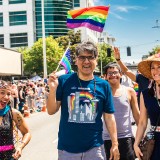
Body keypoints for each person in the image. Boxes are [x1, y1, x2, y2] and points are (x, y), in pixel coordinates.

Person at [47, 41, 120, 160]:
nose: (86, 61)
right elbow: (51, 110)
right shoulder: (64, 81)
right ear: (76, 60)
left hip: (95, 148)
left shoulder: (104, 85)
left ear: (96, 60)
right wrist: (52, 89)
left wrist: (115, 144)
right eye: (82, 57)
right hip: (67, 149)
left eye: (90, 57)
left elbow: (109, 117)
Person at [103, 62, 140, 160]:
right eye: (110, 73)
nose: (113, 75)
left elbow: (137, 115)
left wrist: (141, 136)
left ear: (121, 74)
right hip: (107, 138)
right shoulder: (102, 92)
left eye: (115, 72)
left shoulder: (129, 91)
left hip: (126, 138)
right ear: (105, 76)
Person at [134, 52, 160, 160]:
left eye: (159, 67)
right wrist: (136, 143)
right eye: (152, 68)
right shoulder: (145, 94)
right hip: (155, 143)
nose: (155, 71)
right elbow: (142, 122)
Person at [0, 80, 31, 160]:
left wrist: (20, 147)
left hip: (8, 156)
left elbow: (27, 133)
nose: (6, 97)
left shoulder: (14, 113)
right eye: (2, 93)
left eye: (8, 94)